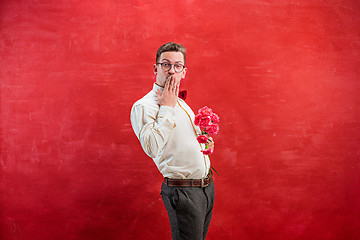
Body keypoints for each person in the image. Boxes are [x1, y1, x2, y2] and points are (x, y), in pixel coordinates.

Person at [130, 42, 215, 240]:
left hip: (206, 187)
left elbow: (180, 142)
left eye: (177, 66)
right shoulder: (143, 106)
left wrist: (205, 142)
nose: (171, 71)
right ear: (156, 68)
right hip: (183, 191)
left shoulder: (182, 103)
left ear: (184, 72)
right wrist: (166, 108)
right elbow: (152, 147)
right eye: (166, 64)